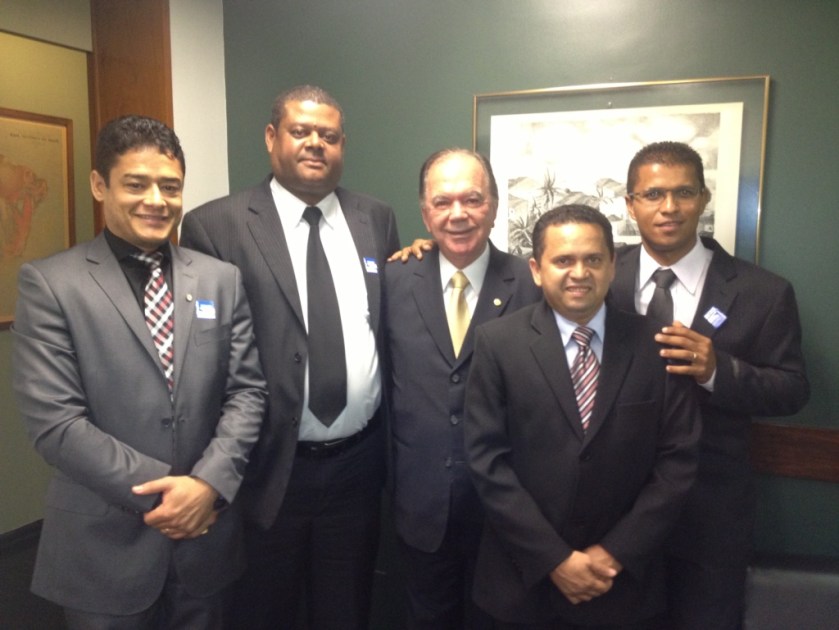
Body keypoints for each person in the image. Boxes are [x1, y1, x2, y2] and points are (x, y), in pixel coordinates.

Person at [11, 115, 267, 629]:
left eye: (170, 187)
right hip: (103, 551)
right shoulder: (51, 284)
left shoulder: (220, 280)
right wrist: (174, 491)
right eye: (136, 184)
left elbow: (247, 393)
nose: (157, 200)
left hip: (205, 541)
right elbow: (56, 424)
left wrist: (208, 486)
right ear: (99, 185)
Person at [179, 85, 400, 629]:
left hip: (358, 465)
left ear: (342, 144)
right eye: (301, 131)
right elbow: (206, 358)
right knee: (263, 610)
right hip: (268, 467)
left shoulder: (376, 218)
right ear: (271, 137)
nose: (315, 143)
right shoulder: (216, 225)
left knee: (347, 608)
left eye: (329, 135)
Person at [464, 204, 701, 629]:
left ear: (612, 266)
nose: (579, 273)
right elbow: (487, 462)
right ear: (537, 270)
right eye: (563, 260)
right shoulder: (497, 343)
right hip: (521, 586)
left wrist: (614, 553)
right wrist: (553, 559)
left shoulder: (658, 345)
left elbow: (677, 462)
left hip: (623, 587)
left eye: (593, 259)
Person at [610, 141, 809, 629]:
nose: (669, 207)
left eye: (684, 192)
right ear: (630, 204)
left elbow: (792, 389)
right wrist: (430, 255)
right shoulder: (598, 274)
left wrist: (719, 370)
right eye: (653, 194)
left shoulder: (764, 292)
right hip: (612, 512)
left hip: (710, 518)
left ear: (704, 198)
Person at [384, 149, 541, 629]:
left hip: (508, 515)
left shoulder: (534, 284)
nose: (458, 214)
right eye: (442, 202)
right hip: (421, 510)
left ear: (493, 206)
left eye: (472, 200)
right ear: (424, 212)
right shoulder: (392, 280)